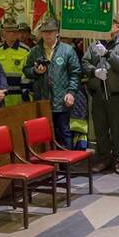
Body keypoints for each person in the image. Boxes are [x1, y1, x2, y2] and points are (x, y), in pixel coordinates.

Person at [82, 15, 119, 174]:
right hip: (98, 93)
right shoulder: (93, 46)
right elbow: (84, 63)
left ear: (117, 26)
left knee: (117, 128)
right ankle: (103, 158)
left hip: (115, 93)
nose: (107, 26)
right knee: (100, 127)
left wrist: (108, 54)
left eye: (111, 23)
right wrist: (93, 71)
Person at [23, 18, 81, 149]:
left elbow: (75, 73)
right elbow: (26, 70)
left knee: (64, 131)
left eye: (51, 31)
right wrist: (35, 71)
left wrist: (71, 92)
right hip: (42, 99)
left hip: (62, 99)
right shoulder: (34, 51)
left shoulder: (67, 50)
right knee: (44, 133)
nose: (47, 35)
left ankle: (66, 166)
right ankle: (49, 164)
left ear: (57, 33)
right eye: (44, 32)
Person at [0, 19, 31, 106]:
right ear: (3, 33)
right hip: (2, 94)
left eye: (15, 31)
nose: (12, 34)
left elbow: (27, 73)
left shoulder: (25, 50)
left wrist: (25, 92)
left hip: (19, 94)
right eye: (9, 31)